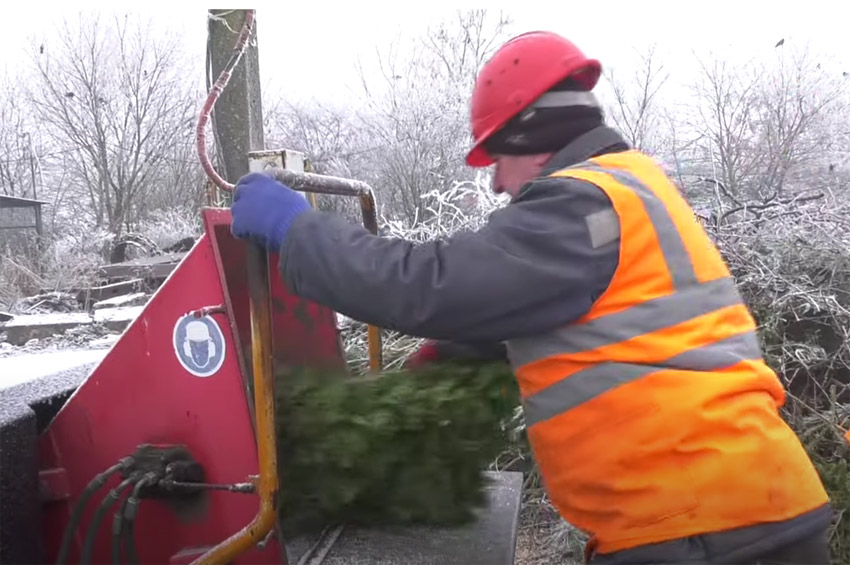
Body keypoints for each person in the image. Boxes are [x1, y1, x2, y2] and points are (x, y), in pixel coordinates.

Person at [230, 31, 834, 565]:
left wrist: (298, 231)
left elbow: (429, 282)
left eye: (496, 157)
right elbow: (601, 319)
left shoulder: (584, 204)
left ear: (531, 135)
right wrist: (463, 351)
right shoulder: (628, 189)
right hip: (732, 515)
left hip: (709, 529)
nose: (494, 180)